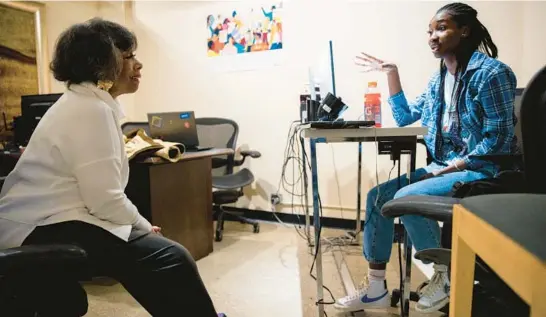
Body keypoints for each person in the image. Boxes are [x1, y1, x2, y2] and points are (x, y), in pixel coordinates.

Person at [0, 18, 226, 317]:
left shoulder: (85, 103)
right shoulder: (90, 109)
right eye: (130, 56)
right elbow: (104, 199)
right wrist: (144, 225)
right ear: (102, 63)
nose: (139, 65)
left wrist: (134, 226)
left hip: (44, 218)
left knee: (152, 252)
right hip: (39, 226)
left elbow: (99, 197)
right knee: (168, 256)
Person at [335, 2, 518, 314]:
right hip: (443, 167)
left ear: (464, 30)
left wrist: (457, 164)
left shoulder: (491, 74)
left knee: (407, 195)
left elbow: (498, 138)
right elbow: (406, 116)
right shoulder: (438, 81)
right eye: (430, 30)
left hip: (480, 169)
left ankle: (445, 275)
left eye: (442, 28)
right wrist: (392, 74)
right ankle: (376, 287)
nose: (433, 36)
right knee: (379, 196)